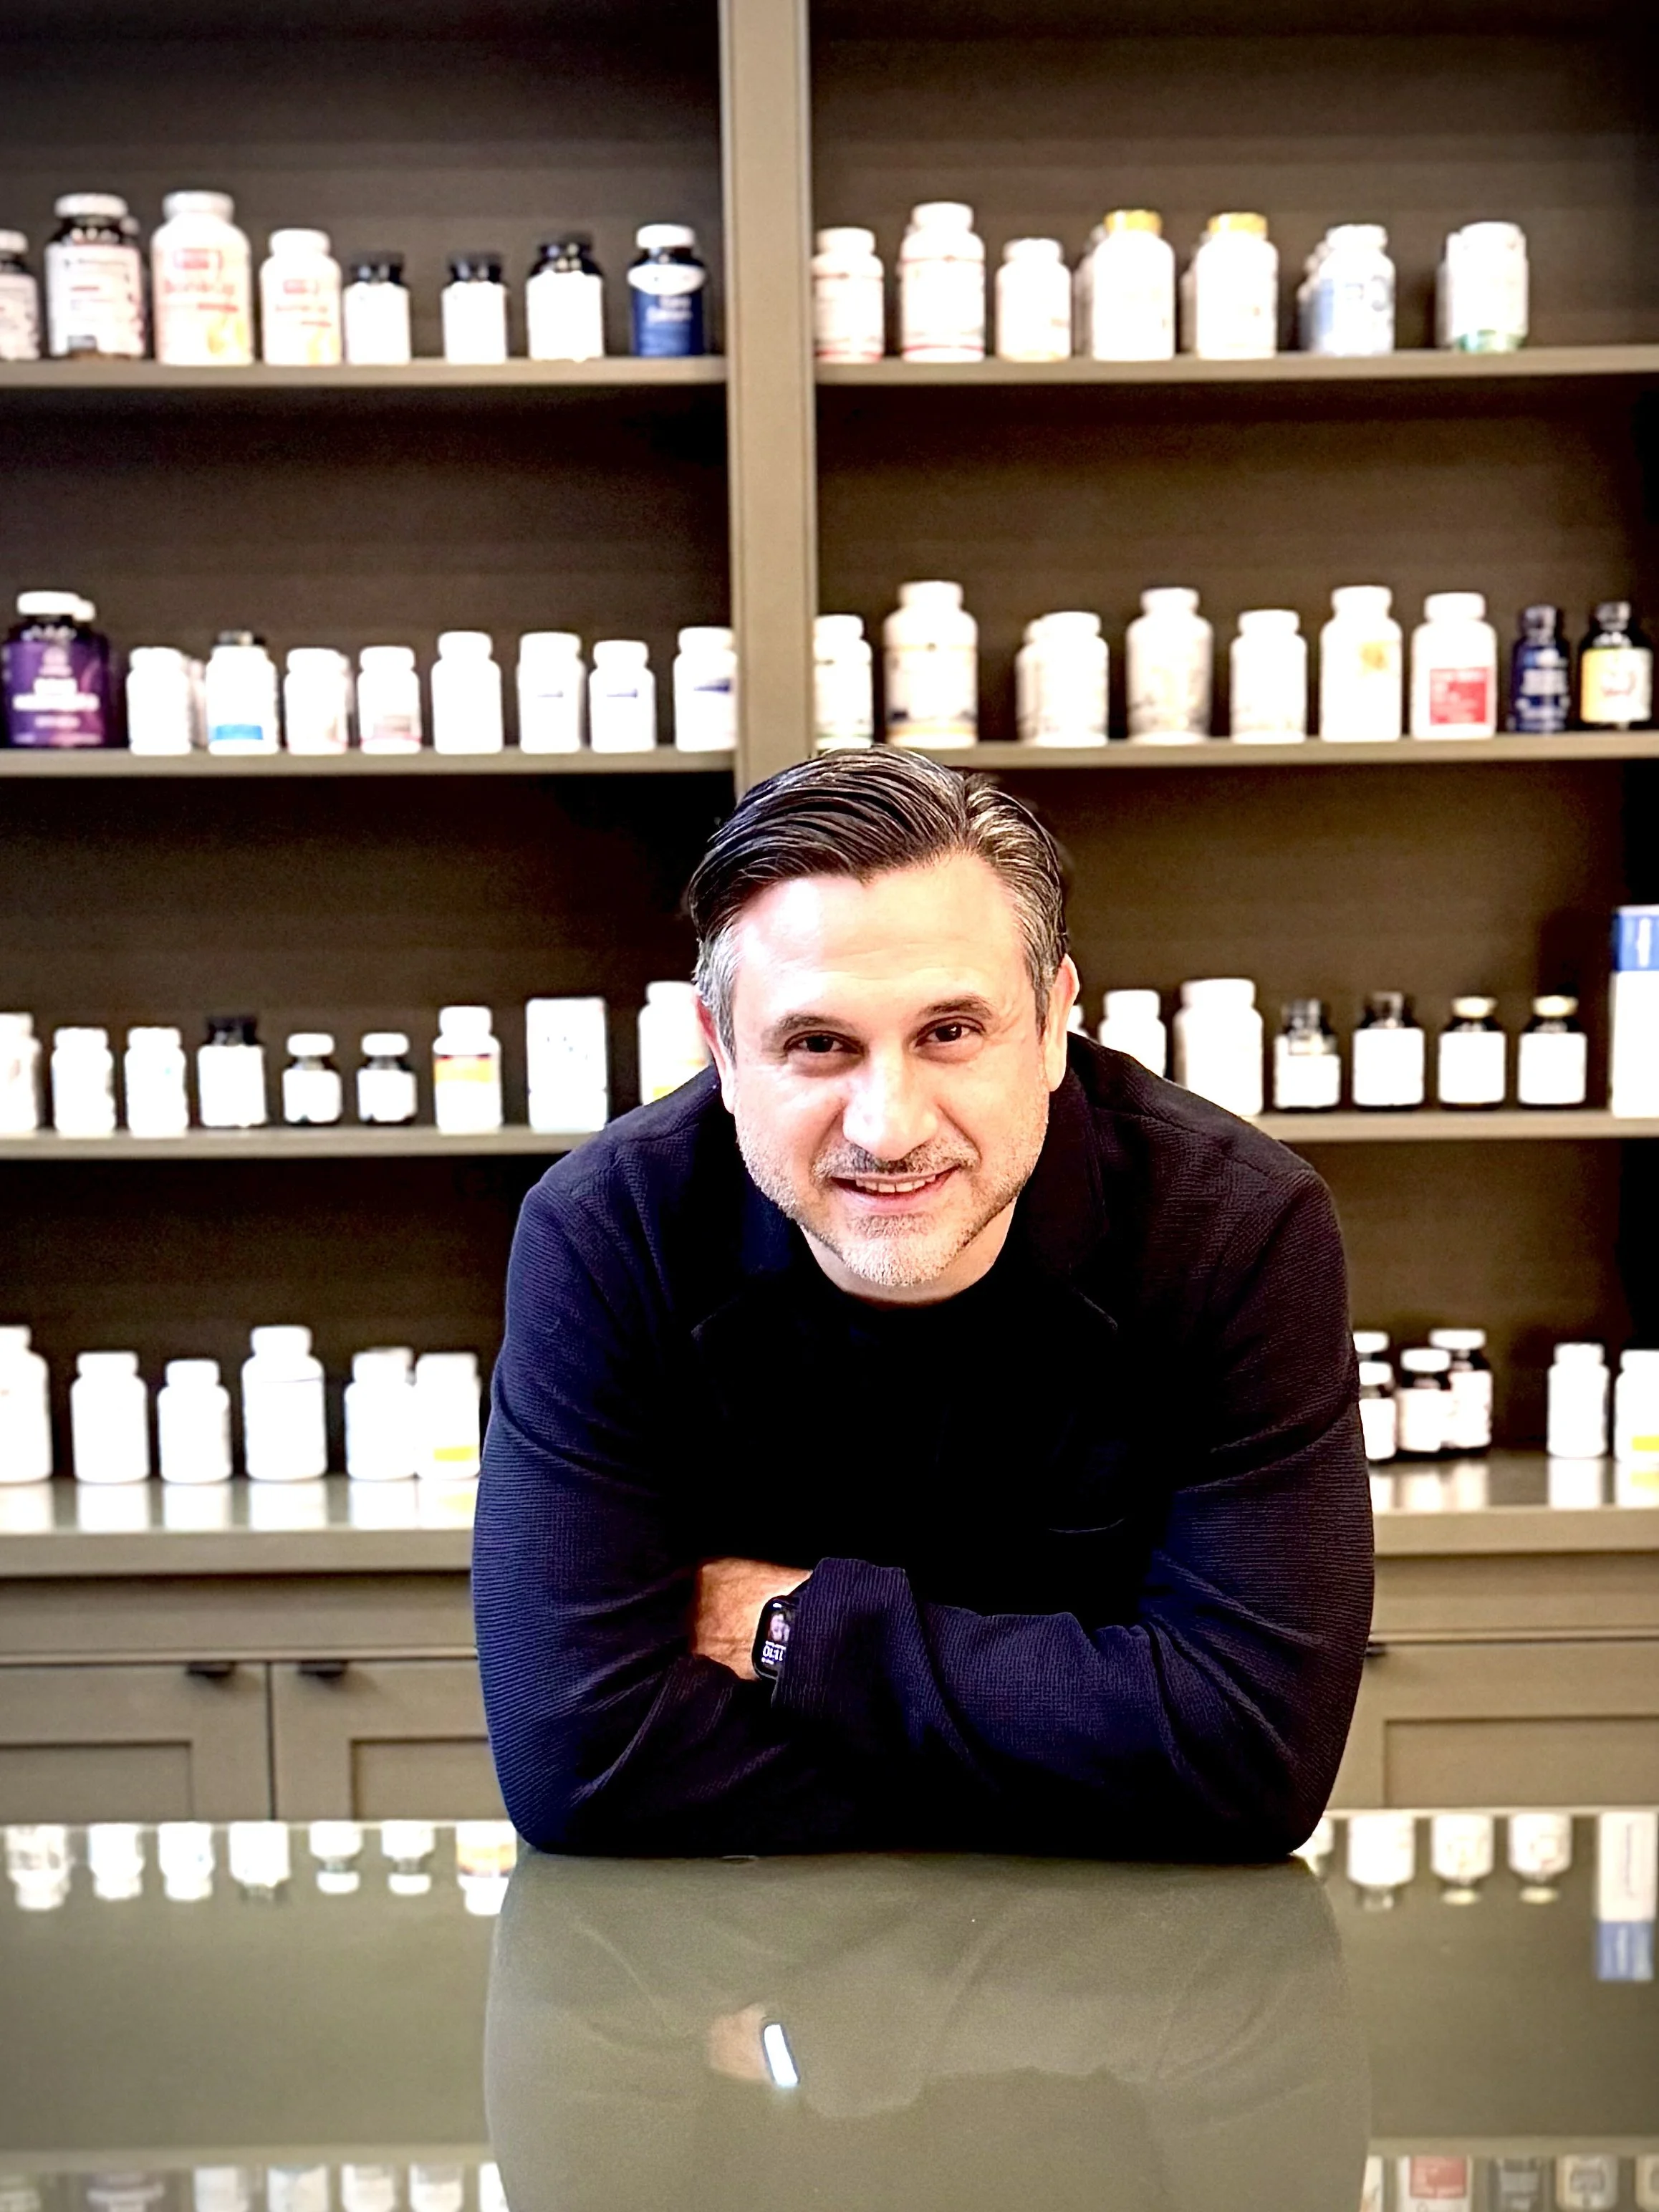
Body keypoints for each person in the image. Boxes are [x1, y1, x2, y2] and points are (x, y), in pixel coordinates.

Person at [473, 750, 1372, 1859]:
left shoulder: (1236, 1228)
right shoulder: (610, 1233)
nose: (888, 1128)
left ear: (1051, 1027)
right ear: (720, 1053)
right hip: (746, 1979)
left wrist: (795, 1637)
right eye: (818, 1044)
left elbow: (1253, 1761)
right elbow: (583, 1765)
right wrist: (1104, 1749)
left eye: (950, 1032)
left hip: (1121, 2004)